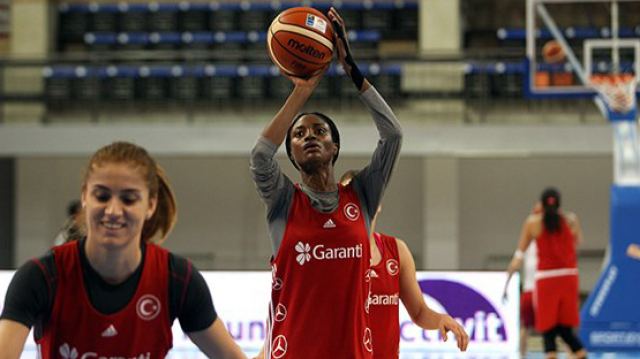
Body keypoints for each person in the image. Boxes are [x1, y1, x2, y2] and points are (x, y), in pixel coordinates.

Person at [249, 7, 402, 358]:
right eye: (299, 135)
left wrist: (351, 69)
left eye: (320, 131)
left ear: (335, 147)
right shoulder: (283, 202)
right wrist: (302, 91)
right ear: (290, 152)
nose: (309, 137)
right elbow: (260, 156)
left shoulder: (361, 194)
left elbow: (392, 135)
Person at [0, 141, 246, 359]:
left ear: (150, 205)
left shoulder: (177, 279)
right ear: (85, 196)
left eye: (128, 199)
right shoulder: (41, 277)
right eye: (102, 196)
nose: (113, 210)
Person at [343, 171, 468, 358]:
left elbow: (418, 312)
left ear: (379, 204)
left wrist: (441, 318)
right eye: (348, 195)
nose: (358, 201)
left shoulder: (397, 251)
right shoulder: (325, 255)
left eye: (365, 194)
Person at [505, 188, 587, 359]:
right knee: (565, 328)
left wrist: (507, 280)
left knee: (547, 327)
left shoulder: (533, 223)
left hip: (546, 279)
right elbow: (578, 241)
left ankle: (535, 354)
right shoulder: (571, 220)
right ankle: (579, 353)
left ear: (541, 204)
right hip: (569, 276)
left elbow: (518, 255)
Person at [503, 202, 541, 357]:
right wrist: (505, 286)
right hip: (533, 289)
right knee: (527, 326)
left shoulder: (547, 240)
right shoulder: (528, 242)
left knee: (553, 327)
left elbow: (515, 263)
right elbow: (515, 262)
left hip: (541, 288)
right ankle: (522, 355)